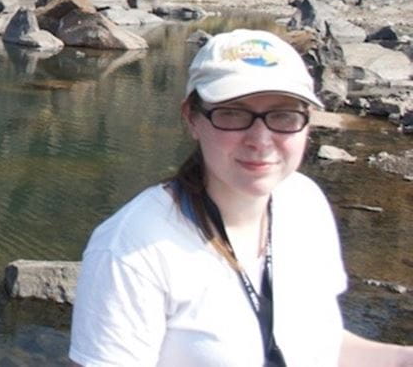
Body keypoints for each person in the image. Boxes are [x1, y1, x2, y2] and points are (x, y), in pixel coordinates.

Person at [68, 29, 413, 367]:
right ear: (192, 118)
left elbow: (319, 345)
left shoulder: (306, 202)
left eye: (283, 115)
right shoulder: (132, 249)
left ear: (308, 123)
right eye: (233, 113)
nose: (260, 140)